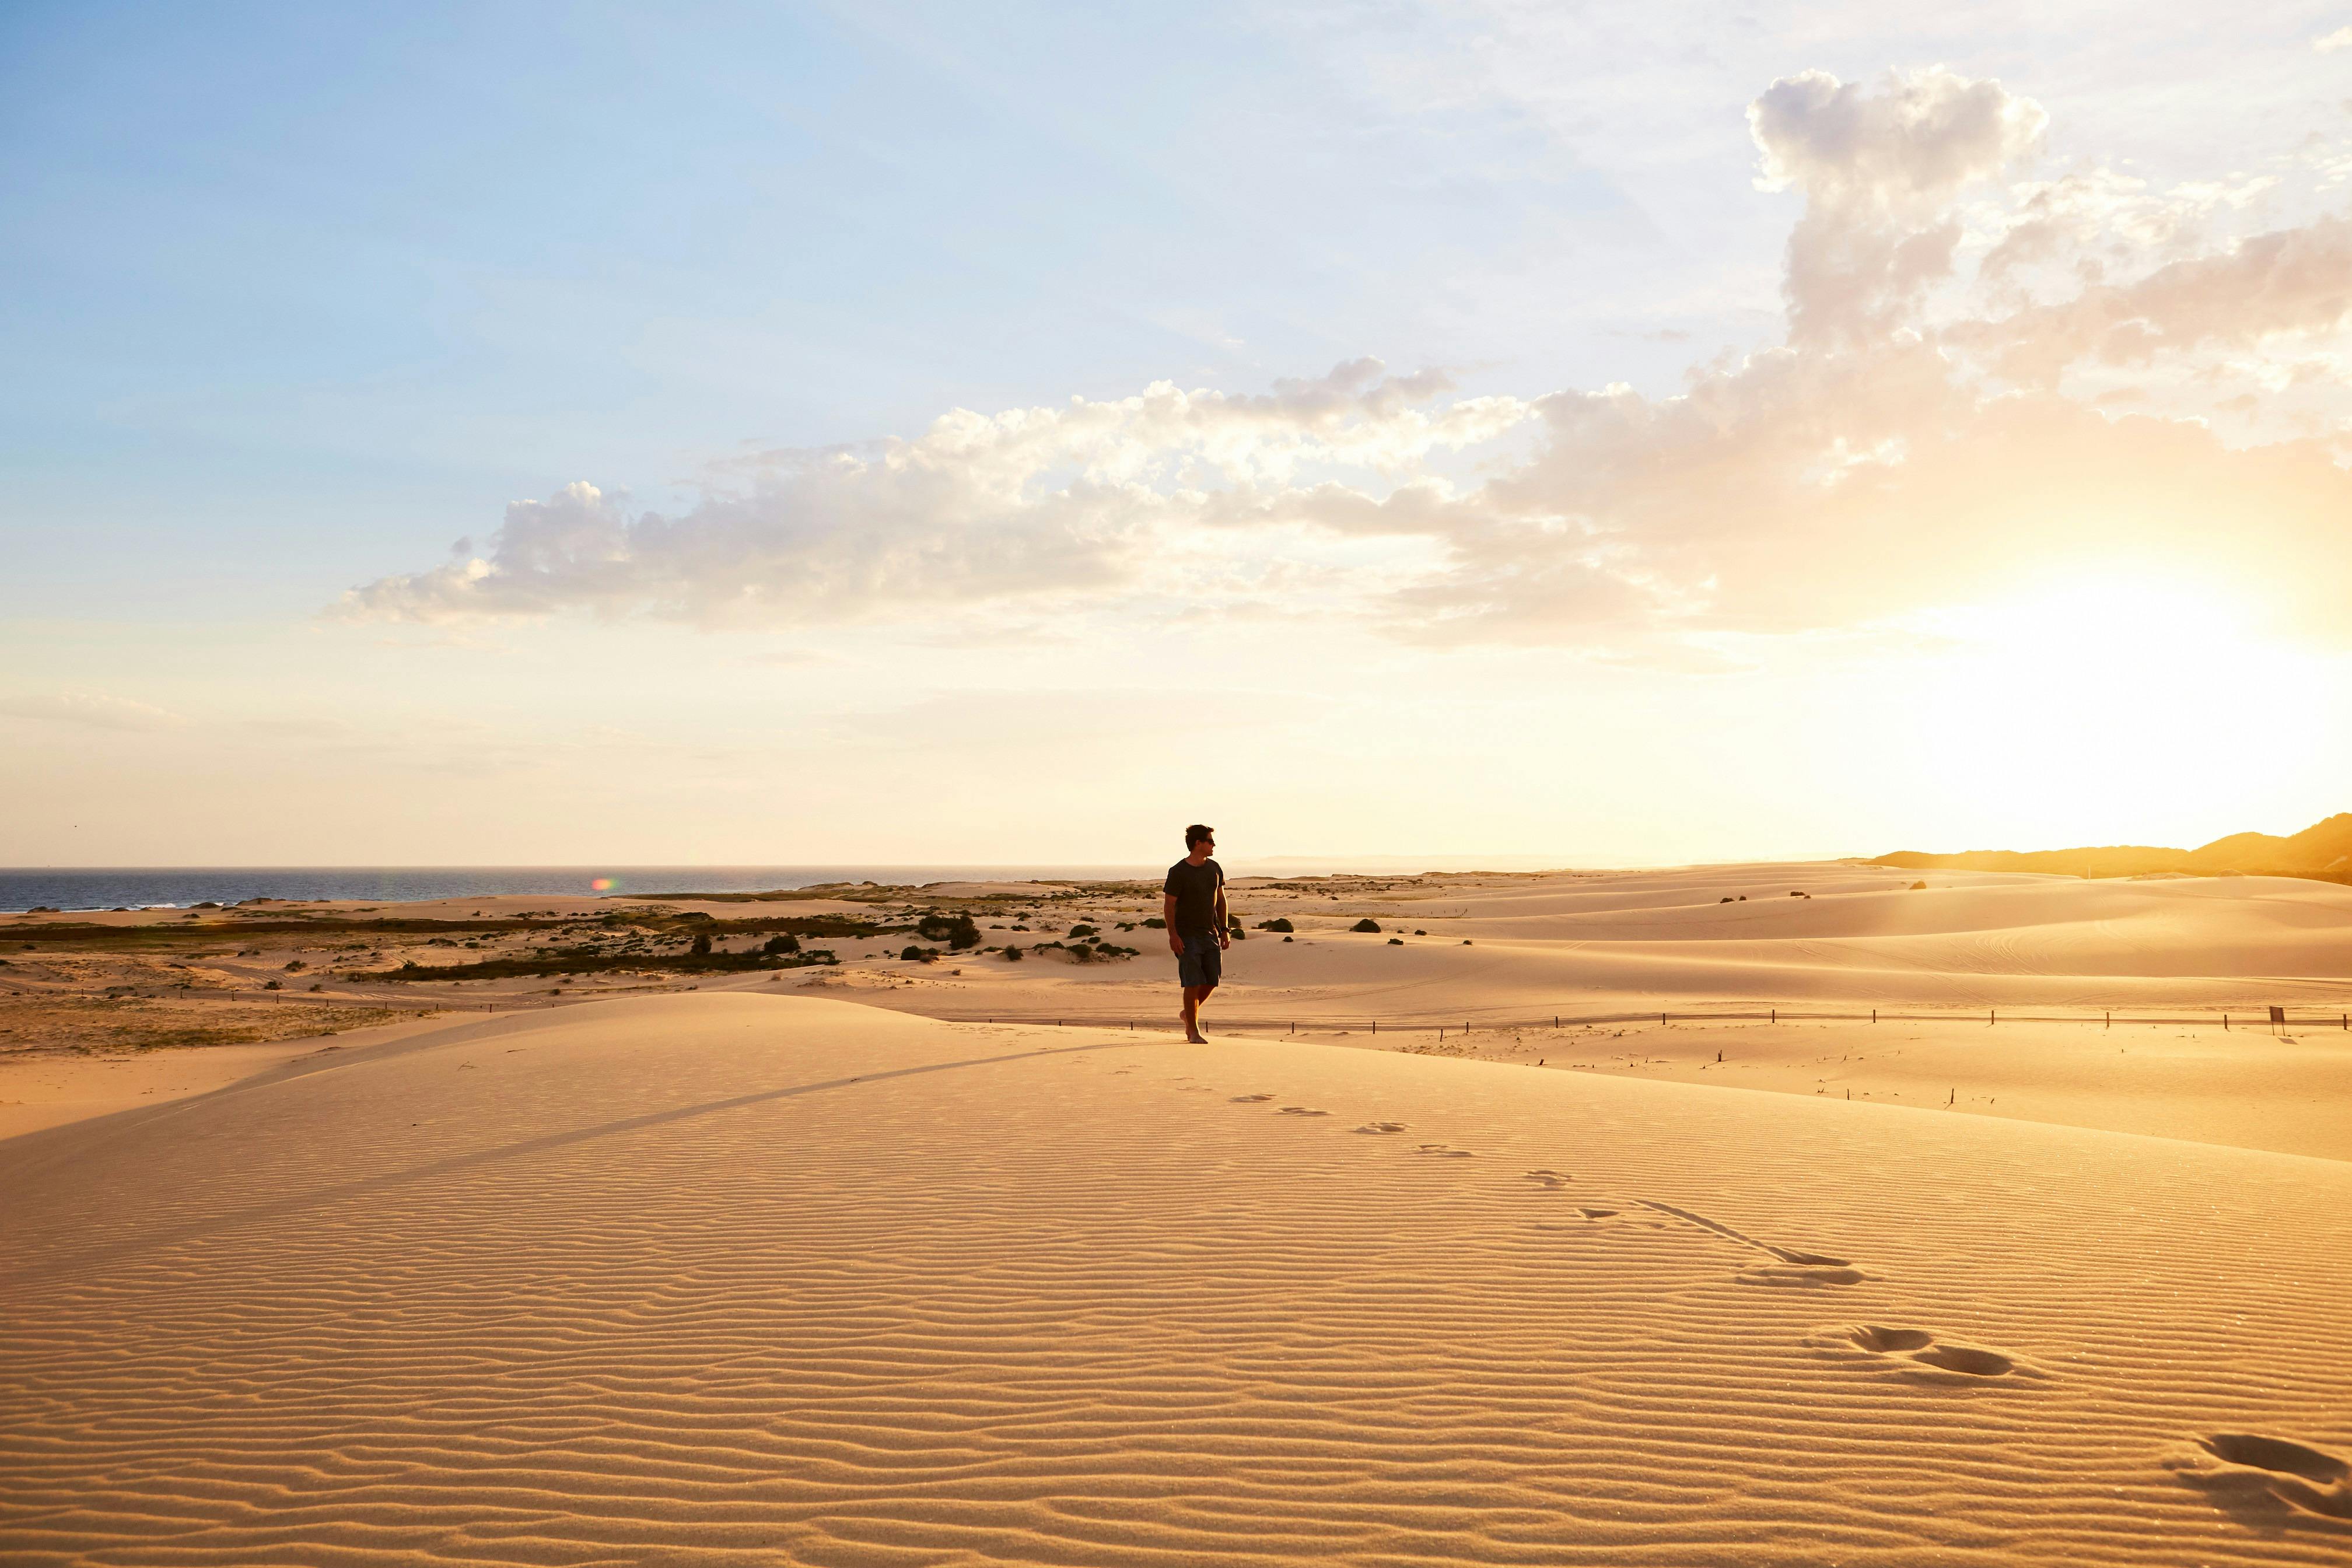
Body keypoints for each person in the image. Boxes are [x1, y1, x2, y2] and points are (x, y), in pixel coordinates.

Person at [1163, 824, 1228, 1043]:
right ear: (1198, 844)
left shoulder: (1215, 868)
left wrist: (1225, 929)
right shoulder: (1178, 872)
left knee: (1212, 979)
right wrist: (1173, 934)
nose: (1214, 845)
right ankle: (1193, 1030)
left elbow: (1221, 899)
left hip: (1210, 933)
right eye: (1210, 841)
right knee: (1192, 981)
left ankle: (1188, 1014)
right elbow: (1169, 904)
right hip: (1186, 936)